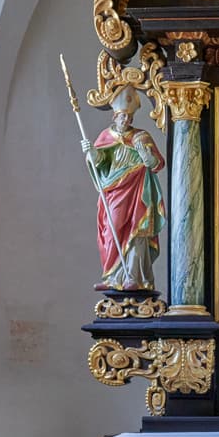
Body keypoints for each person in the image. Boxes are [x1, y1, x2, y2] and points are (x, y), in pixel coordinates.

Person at [84, 88, 165, 291]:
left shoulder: (141, 137)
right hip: (114, 191)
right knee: (111, 230)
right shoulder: (106, 136)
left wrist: (146, 156)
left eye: (129, 117)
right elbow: (100, 162)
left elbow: (156, 164)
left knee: (137, 232)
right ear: (115, 116)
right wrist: (91, 153)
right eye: (122, 117)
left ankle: (133, 277)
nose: (126, 120)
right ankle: (112, 276)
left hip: (138, 190)